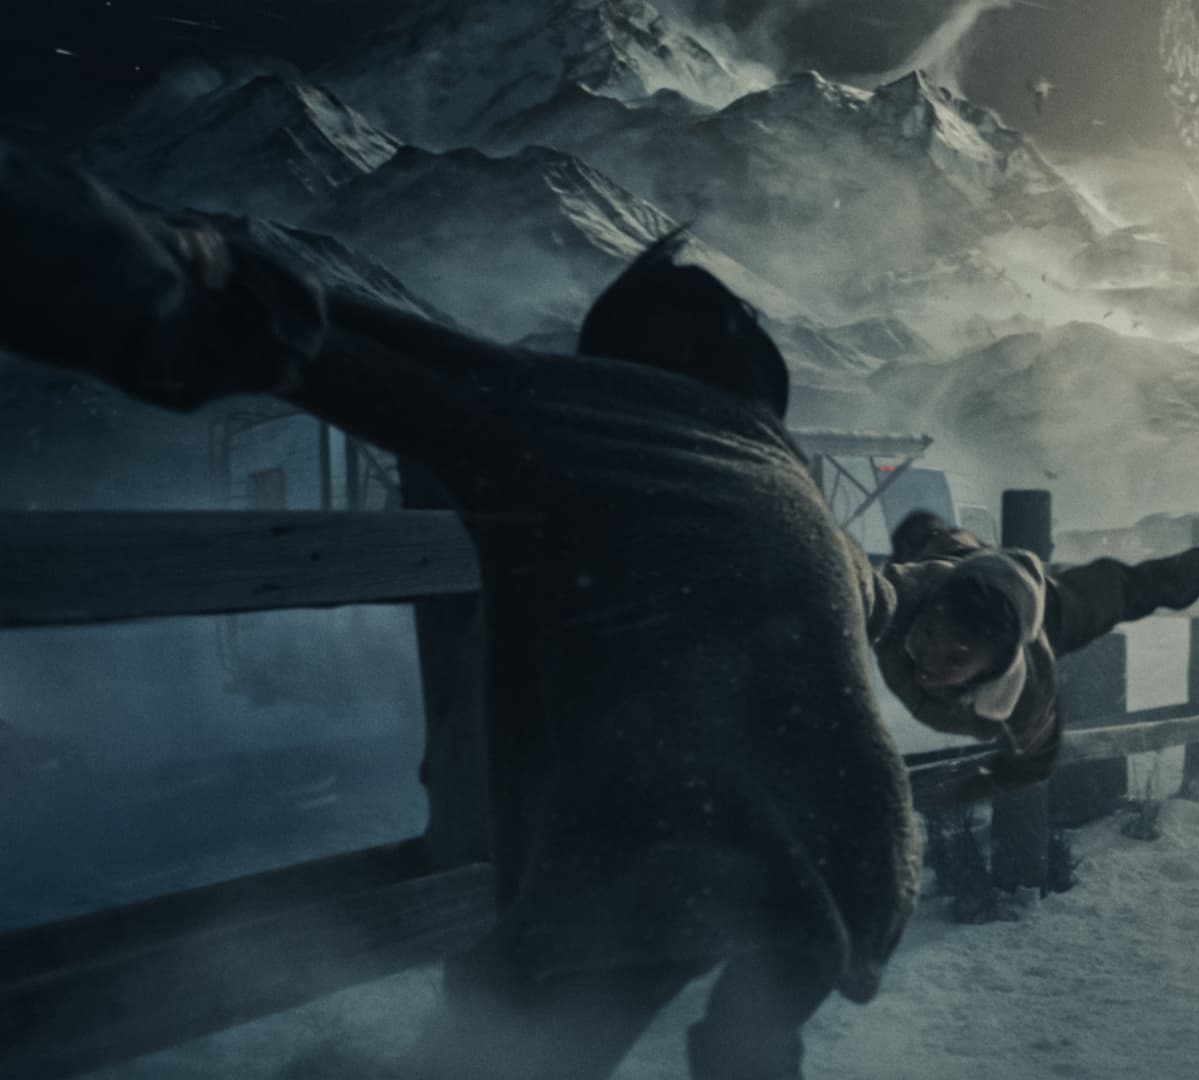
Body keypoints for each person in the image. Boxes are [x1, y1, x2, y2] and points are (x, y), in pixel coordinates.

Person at [0, 142, 918, 1080]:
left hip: (668, 843)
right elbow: (888, 597)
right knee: (747, 1041)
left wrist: (166, 266)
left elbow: (322, 342)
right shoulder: (792, 483)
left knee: (517, 1049)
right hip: (853, 852)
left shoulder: (562, 411)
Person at [874, 509, 1199, 801]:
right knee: (940, 545)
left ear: (995, 674)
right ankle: (940, 536)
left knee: (1138, 586)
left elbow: (1029, 766)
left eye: (954, 660)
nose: (929, 661)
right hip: (953, 568)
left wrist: (928, 793)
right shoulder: (899, 598)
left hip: (1050, 607)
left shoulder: (1029, 694)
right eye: (927, 635)